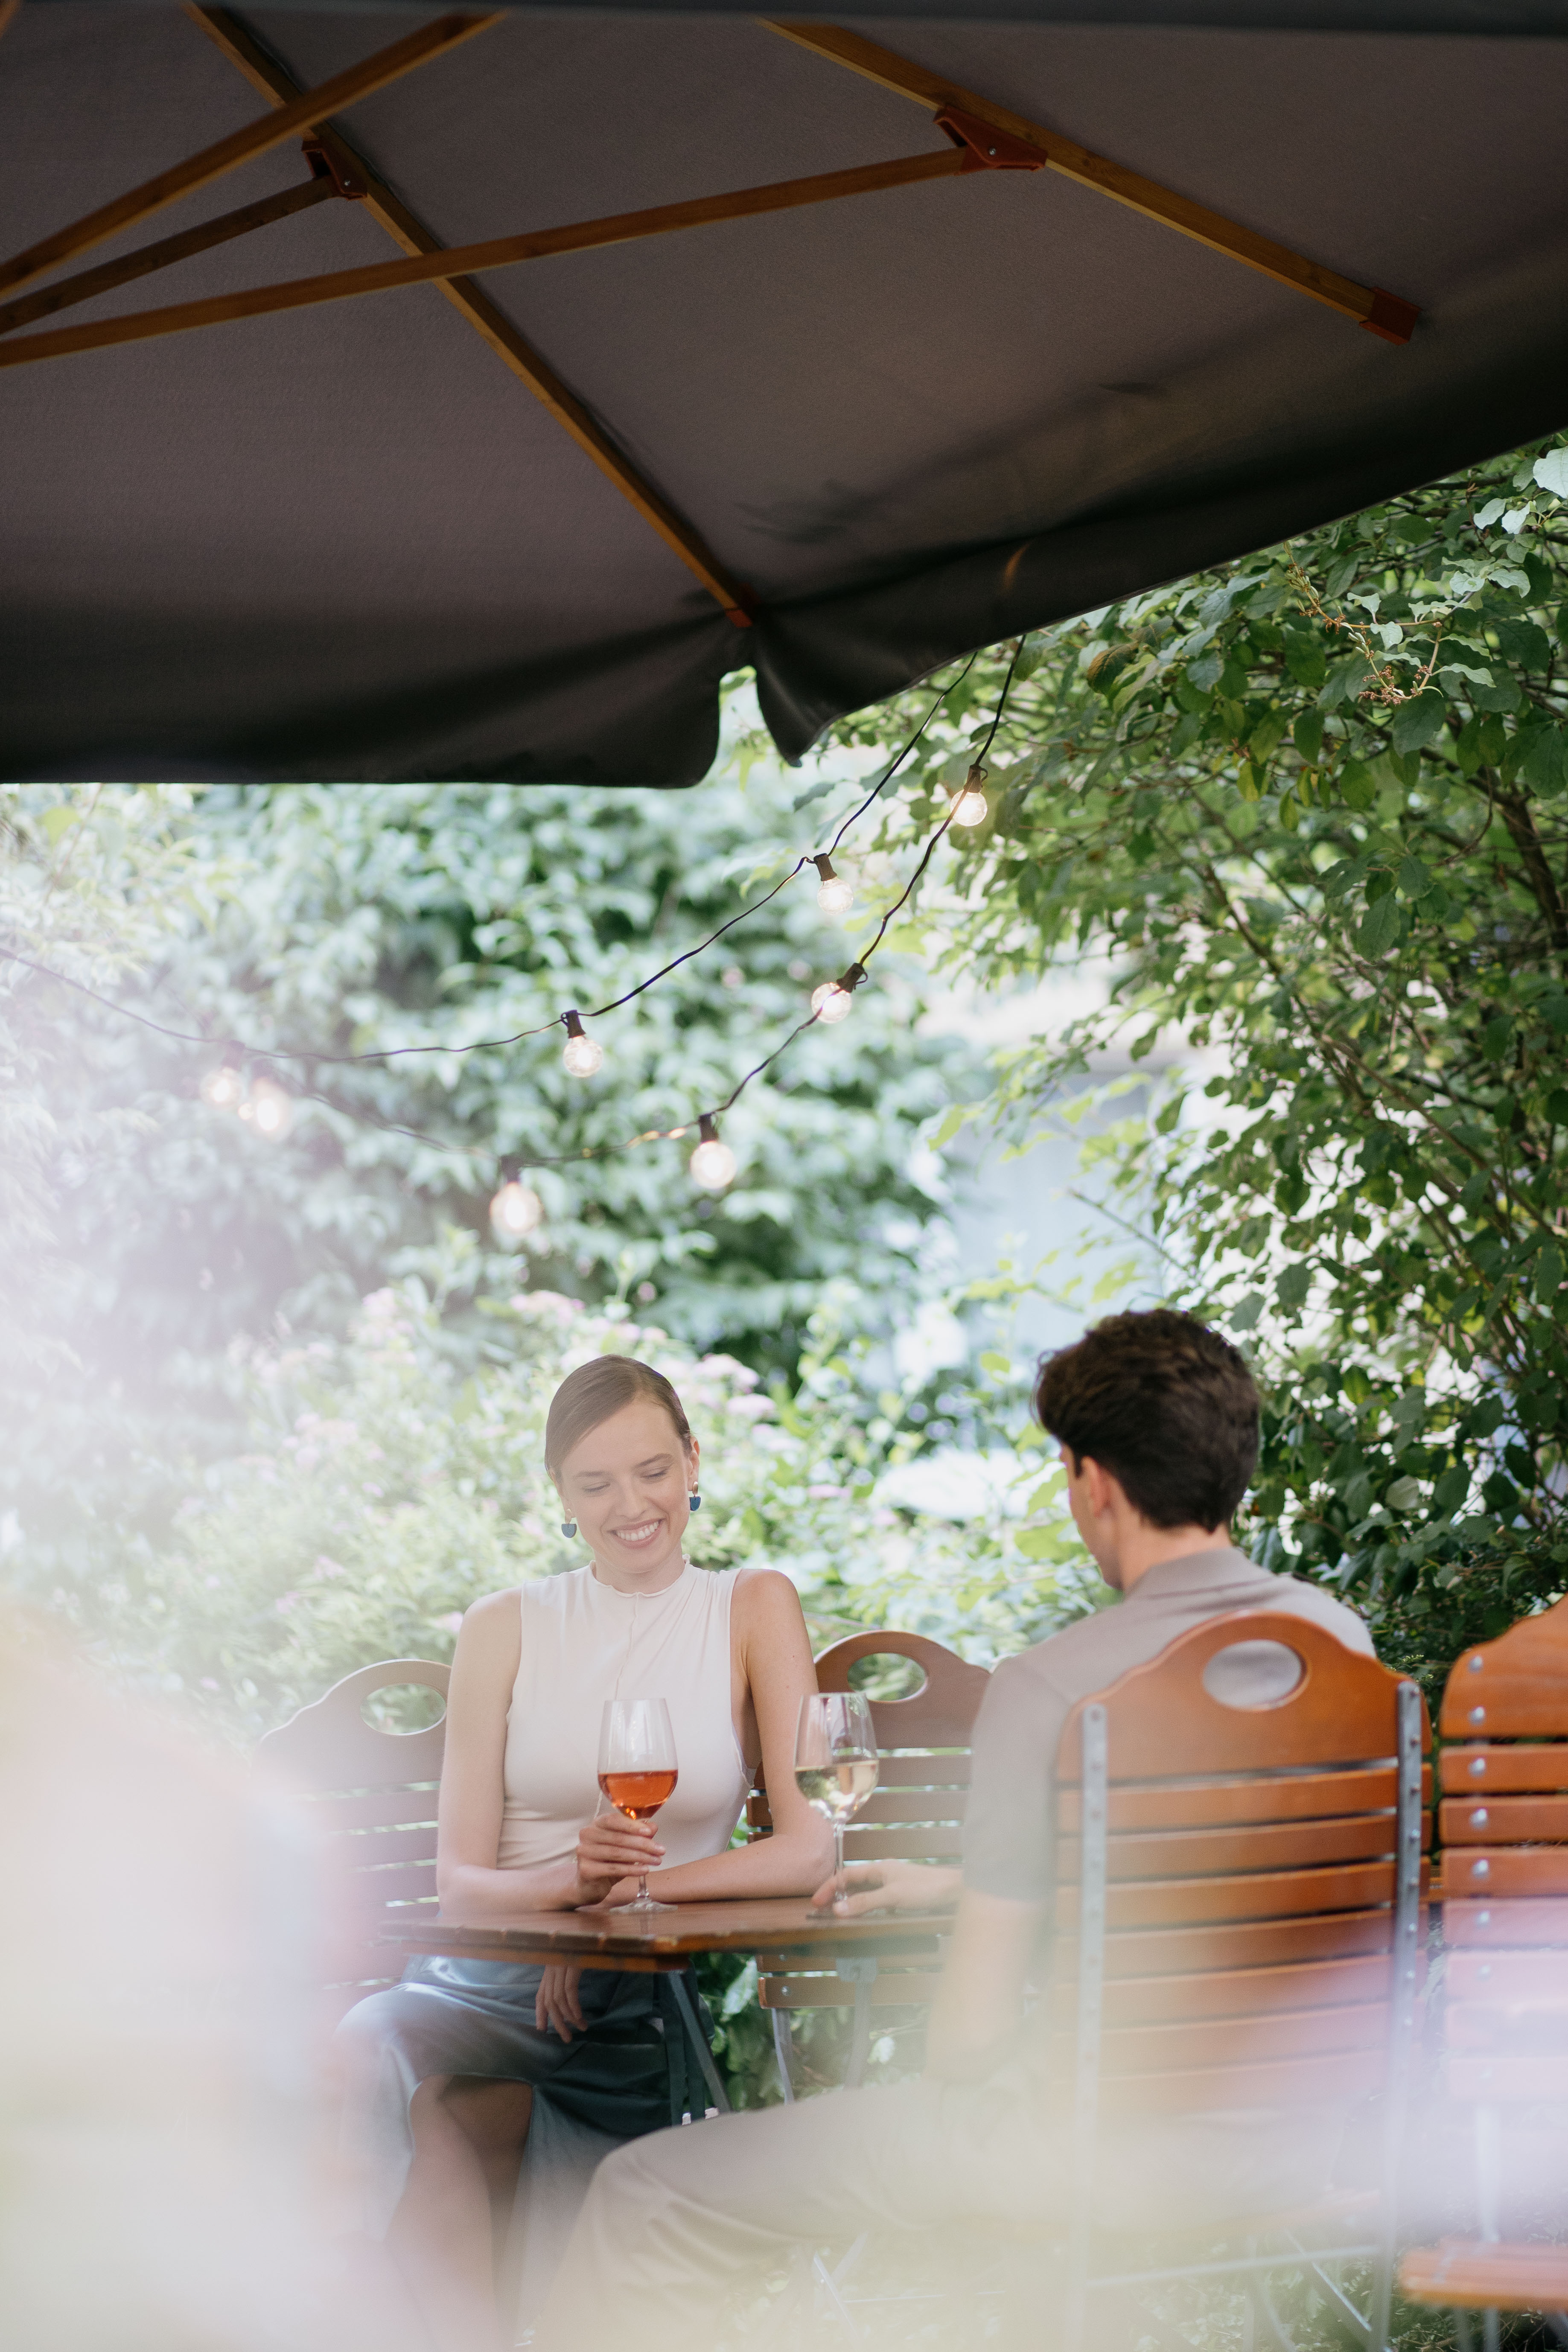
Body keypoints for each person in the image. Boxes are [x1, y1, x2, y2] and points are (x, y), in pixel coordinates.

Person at [533, 1309, 1379, 2352]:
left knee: (646, 2187)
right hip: (1306, 2141)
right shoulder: (1345, 1655)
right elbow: (1226, 1889)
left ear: (1093, 1482)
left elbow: (968, 2044)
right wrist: (969, 1889)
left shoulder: (1057, 1690)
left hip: (1085, 2153)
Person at [336, 1354, 831, 2352]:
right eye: (594, 1483)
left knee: (448, 2117)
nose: (631, 1505)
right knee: (364, 2046)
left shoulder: (752, 1604)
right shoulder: (503, 1626)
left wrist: (627, 1900)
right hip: (479, 1980)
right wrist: (568, 1891)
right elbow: (460, 1884)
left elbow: (810, 1843)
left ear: (694, 1459)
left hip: (631, 1992)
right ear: (560, 1493)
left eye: (653, 1470)